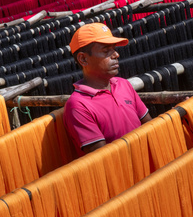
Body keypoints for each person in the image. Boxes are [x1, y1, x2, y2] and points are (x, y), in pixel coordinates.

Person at [64, 23, 151, 154]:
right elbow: (104, 159)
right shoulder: (79, 105)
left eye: (114, 49)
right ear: (83, 59)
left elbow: (151, 126)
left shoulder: (123, 85)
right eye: (106, 51)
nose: (116, 55)